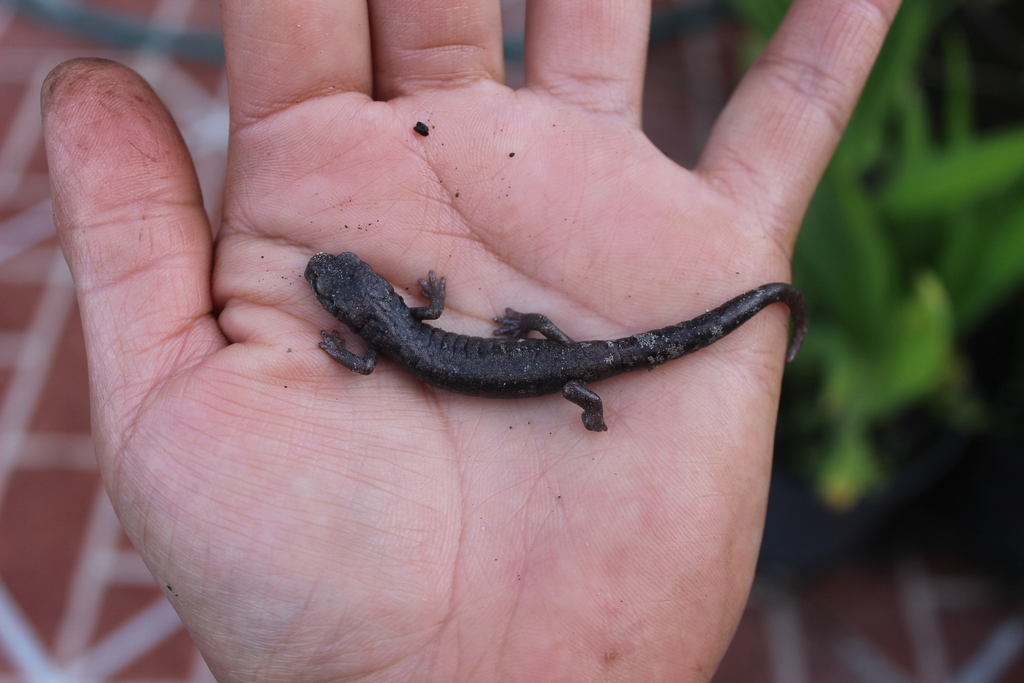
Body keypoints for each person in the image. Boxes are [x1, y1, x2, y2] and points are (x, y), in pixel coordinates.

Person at [41, 0, 900, 680]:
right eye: (334, 289)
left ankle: (734, 319)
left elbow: (371, 351)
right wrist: (488, 314)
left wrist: (340, 351)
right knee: (606, 358)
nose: (327, 287)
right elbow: (426, 305)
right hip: (546, 357)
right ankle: (728, 318)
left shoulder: (379, 338)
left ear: (358, 306)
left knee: (630, 357)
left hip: (559, 369)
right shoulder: (400, 320)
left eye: (332, 290)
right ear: (365, 299)